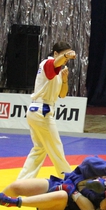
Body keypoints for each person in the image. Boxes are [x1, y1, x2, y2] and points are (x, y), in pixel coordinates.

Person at [15, 41, 76, 180]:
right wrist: (66, 55)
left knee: (39, 148)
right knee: (56, 147)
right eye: (64, 55)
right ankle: (70, 179)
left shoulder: (59, 70)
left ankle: (23, 181)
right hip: (42, 110)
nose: (66, 59)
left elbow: (62, 95)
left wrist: (65, 80)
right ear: (55, 53)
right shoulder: (47, 63)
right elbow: (53, 65)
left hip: (37, 111)